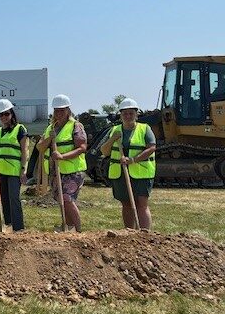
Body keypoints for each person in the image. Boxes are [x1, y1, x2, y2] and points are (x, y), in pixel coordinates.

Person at [100, 98, 156, 229]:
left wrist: (133, 160)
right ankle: (129, 232)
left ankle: (144, 234)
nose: (128, 116)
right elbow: (104, 151)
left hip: (141, 172)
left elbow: (151, 148)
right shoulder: (114, 130)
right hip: (120, 174)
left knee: (141, 204)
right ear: (120, 115)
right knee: (126, 204)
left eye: (131, 113)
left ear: (136, 114)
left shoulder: (144, 129)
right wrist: (113, 139)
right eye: (125, 113)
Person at [36, 94, 87, 232]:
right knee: (62, 200)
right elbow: (40, 147)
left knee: (67, 199)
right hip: (56, 171)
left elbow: (82, 148)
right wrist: (49, 139)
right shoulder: (51, 128)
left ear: (68, 110)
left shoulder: (76, 126)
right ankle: (68, 227)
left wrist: (62, 156)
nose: (59, 113)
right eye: (56, 110)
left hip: (73, 170)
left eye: (62, 110)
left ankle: (77, 230)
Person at [0, 99, 29, 231]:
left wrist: (23, 170)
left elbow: (24, 151)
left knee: (13, 199)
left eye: (6, 114)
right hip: (1, 171)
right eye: (1, 115)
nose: (4, 117)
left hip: (14, 171)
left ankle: (18, 228)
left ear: (11, 113)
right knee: (4, 199)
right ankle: (8, 224)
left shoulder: (20, 129)